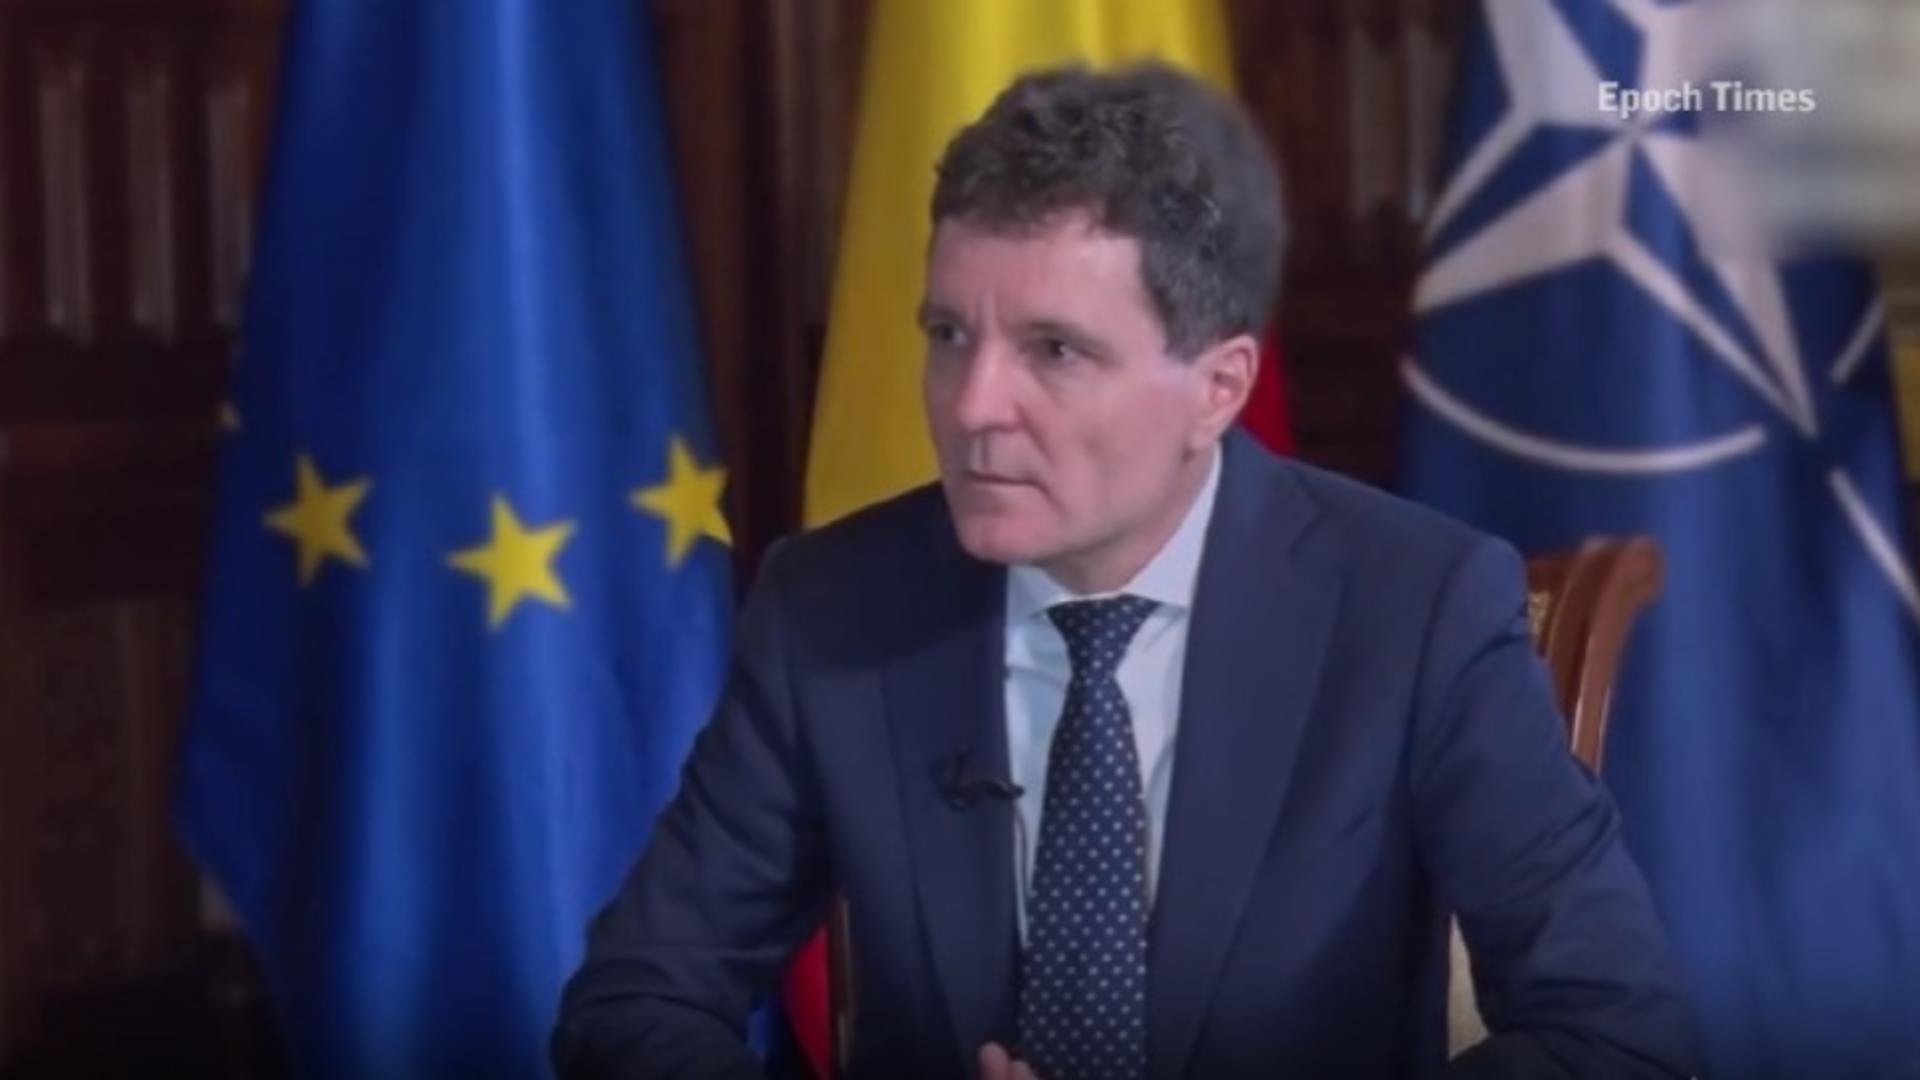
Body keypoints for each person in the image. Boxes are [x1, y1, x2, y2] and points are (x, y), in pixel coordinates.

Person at [553, 63, 1698, 1080]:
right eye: (948, 335)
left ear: (1218, 389)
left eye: (1054, 349)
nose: (973, 405)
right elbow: (636, 1001)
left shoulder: (1416, 610)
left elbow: (1616, 1030)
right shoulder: (832, 608)